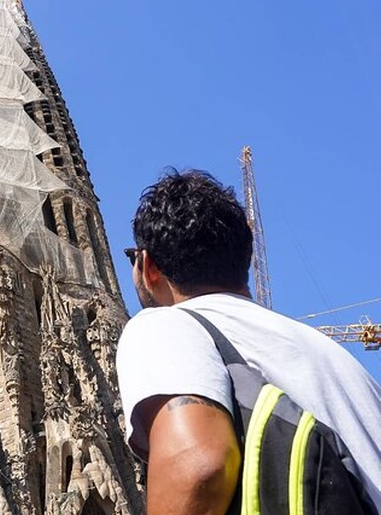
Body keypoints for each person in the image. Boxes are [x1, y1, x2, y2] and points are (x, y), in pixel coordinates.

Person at [116, 170, 381, 514]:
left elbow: (197, 466)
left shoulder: (166, 324)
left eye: (132, 257)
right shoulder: (338, 361)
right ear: (246, 257)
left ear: (149, 267)